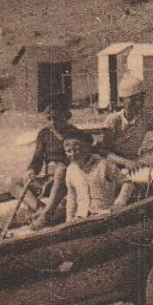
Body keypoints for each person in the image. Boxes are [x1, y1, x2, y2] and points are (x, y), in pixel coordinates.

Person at [21, 96, 90, 229]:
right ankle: (40, 208)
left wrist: (62, 139)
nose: (52, 123)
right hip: (47, 181)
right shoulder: (44, 134)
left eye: (56, 118)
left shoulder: (76, 134)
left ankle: (47, 213)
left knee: (61, 170)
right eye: (49, 119)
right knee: (12, 182)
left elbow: (78, 157)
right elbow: (37, 159)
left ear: (66, 116)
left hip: (66, 180)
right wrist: (31, 171)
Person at [63, 133, 131, 222]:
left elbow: (127, 182)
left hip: (105, 215)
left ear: (88, 148)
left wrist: (120, 202)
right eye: (69, 151)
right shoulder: (70, 170)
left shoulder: (103, 164)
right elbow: (72, 197)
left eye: (77, 150)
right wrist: (69, 219)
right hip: (81, 219)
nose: (73, 154)